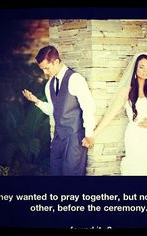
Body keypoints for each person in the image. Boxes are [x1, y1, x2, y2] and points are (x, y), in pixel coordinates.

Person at [82, 52, 147, 176]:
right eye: (141, 67)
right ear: (135, 69)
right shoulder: (127, 91)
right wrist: (92, 136)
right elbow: (110, 115)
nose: (145, 70)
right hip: (134, 135)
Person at [22, 45, 96, 176]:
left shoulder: (75, 79)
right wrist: (37, 102)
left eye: (47, 68)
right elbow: (53, 110)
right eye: (43, 69)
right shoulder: (49, 85)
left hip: (74, 138)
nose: (45, 72)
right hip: (57, 139)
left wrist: (89, 134)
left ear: (56, 62)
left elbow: (88, 107)